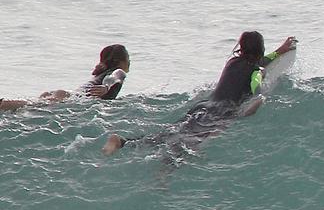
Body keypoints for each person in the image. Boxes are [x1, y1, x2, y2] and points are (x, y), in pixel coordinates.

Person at [102, 31, 296, 155]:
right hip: (220, 113)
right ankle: (164, 173)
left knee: (168, 133)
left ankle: (123, 142)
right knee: (187, 145)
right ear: (260, 51)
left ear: (241, 48)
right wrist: (259, 98)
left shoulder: (232, 62)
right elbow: (256, 86)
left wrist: (280, 50)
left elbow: (258, 62)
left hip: (204, 106)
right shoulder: (255, 72)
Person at [1, 44, 130, 112]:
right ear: (121, 61)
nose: (130, 62)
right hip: (71, 97)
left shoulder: (100, 74)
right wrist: (106, 87)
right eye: (128, 58)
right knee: (32, 105)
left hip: (66, 94)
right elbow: (115, 77)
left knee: (30, 107)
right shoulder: (117, 71)